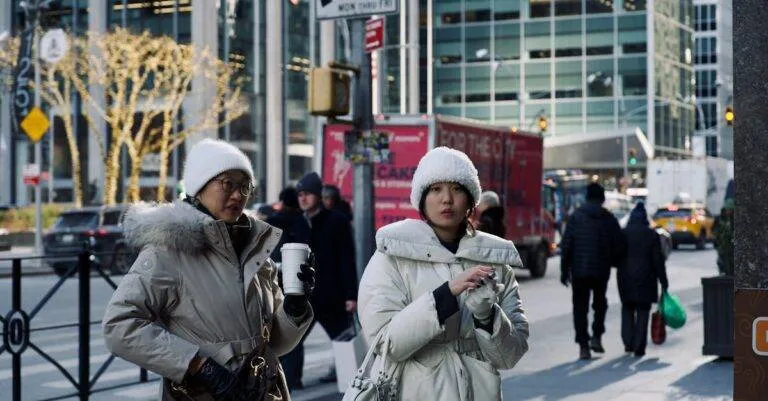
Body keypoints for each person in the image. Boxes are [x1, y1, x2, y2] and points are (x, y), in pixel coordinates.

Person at [102, 138, 315, 401]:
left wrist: (295, 307)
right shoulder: (169, 251)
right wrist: (197, 365)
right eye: (227, 183)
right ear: (199, 188)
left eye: (245, 186)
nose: (238, 194)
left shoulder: (256, 252)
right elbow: (119, 326)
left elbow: (276, 345)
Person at [358, 147, 529, 400]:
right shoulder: (392, 256)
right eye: (436, 189)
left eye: (457, 188)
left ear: (471, 200)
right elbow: (384, 344)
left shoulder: (494, 260)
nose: (447, 199)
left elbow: (510, 355)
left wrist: (486, 316)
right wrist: (445, 296)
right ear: (422, 199)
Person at [284, 172, 357, 387]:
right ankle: (291, 382)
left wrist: (351, 295)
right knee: (293, 340)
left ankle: (354, 384)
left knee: (345, 341)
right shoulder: (296, 224)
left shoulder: (337, 221)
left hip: (332, 295)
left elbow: (346, 259)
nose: (303, 198)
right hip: (305, 297)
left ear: (318, 195)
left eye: (307, 194)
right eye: (300, 194)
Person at [560, 182, 625, 360]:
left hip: (579, 270)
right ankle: (596, 335)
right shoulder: (609, 218)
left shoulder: (576, 217)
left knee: (580, 307)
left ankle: (583, 346)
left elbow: (566, 245)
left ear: (587, 197)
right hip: (601, 270)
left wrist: (564, 270)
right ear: (602, 198)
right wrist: (613, 261)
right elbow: (619, 244)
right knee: (600, 304)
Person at [618, 202, 669, 357]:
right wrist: (664, 280)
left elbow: (616, 255)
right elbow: (657, 260)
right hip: (646, 278)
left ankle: (628, 343)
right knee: (643, 311)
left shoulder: (623, 233)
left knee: (627, 309)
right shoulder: (651, 235)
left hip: (625, 277)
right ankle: (639, 346)